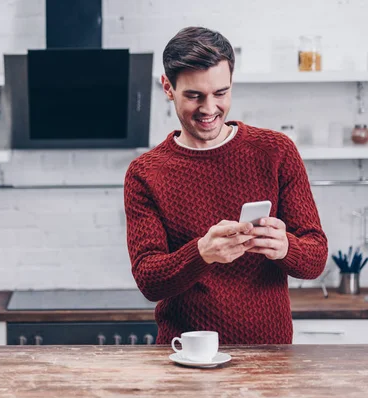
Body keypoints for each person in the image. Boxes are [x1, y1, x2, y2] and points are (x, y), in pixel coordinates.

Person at [124, 27, 328, 345]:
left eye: (221, 93)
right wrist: (202, 253)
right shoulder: (145, 173)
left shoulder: (276, 151)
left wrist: (286, 247)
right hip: (185, 357)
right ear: (167, 87)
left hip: (268, 357)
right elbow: (149, 280)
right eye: (194, 95)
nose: (209, 109)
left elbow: (316, 256)